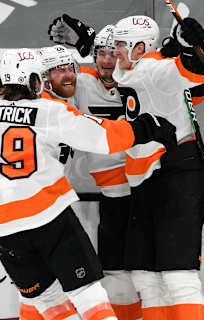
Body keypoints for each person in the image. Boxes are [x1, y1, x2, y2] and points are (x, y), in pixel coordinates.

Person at [0, 48, 177, 320]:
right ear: (34, 81)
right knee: (89, 297)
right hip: (48, 219)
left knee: (51, 306)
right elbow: (105, 138)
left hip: (3, 231)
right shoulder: (48, 111)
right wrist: (145, 127)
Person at [48, 14, 204, 319]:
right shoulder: (102, 77)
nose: (111, 58)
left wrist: (186, 48)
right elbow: (56, 88)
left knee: (176, 277)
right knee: (140, 277)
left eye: (118, 47)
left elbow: (190, 78)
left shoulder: (149, 71)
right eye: (105, 52)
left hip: (166, 174)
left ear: (137, 48)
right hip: (132, 185)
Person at [49, 22, 143, 320]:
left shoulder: (141, 78)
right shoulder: (84, 81)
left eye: (112, 53)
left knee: (151, 275)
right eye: (100, 54)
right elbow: (48, 83)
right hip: (113, 195)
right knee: (115, 273)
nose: (105, 60)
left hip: (150, 189)